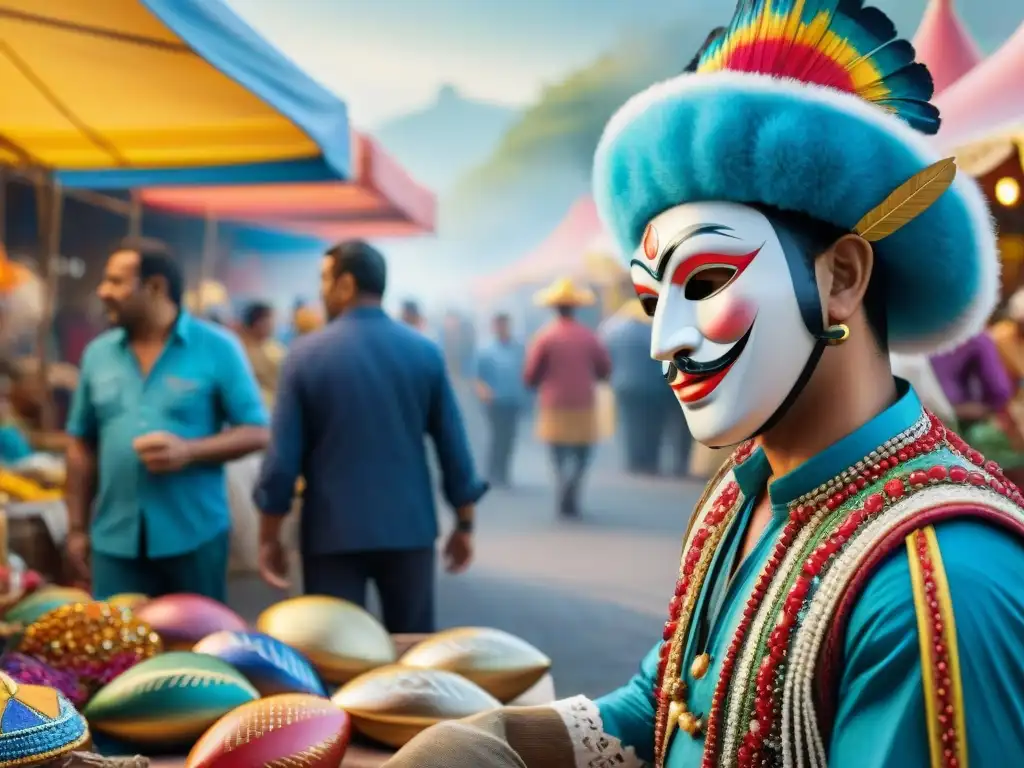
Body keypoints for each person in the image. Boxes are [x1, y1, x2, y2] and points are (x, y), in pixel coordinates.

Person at [383, 2, 1024, 766]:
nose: (665, 341)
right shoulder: (740, 492)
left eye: (709, 280)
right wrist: (506, 740)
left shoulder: (934, 581)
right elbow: (679, 702)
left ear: (843, 277)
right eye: (652, 300)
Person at [254, 240, 487, 634]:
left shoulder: (305, 355)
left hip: (331, 535)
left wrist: (269, 537)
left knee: (335, 655)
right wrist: (464, 525)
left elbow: (281, 464)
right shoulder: (424, 353)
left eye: (324, 280)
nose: (321, 292)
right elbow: (453, 448)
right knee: (412, 657)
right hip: (409, 531)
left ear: (345, 284)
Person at [64, 240, 269, 602]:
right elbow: (80, 442)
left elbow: (257, 431)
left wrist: (189, 451)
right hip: (114, 541)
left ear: (155, 287)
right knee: (116, 652)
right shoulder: (98, 354)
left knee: (195, 650)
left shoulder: (218, 348)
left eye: (115, 281)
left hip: (194, 536)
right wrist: (77, 527)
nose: (102, 292)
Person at [524, 277, 611, 517]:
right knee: (582, 454)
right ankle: (572, 486)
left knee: (558, 454)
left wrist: (535, 383)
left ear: (554, 308)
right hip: (583, 402)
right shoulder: (588, 336)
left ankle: (564, 481)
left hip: (553, 404)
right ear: (576, 308)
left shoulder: (544, 337)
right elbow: (604, 369)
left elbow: (531, 374)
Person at [600, 298, 682, 475]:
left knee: (631, 425)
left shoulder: (615, 332)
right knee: (653, 426)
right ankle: (651, 462)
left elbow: (607, 357)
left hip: (624, 387)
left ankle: (634, 461)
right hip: (654, 388)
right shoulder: (652, 332)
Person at [474, 313, 527, 487]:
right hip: (494, 401)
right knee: (496, 437)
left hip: (513, 399)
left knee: (509, 438)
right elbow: (477, 377)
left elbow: (525, 372)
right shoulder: (486, 351)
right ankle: (493, 472)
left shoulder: (518, 348)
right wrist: (483, 392)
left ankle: (504, 472)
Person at [238, 301, 286, 409]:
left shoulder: (275, 347)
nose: (274, 324)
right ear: (258, 323)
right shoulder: (241, 352)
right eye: (270, 319)